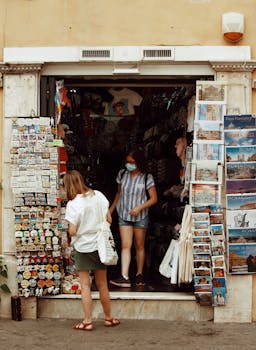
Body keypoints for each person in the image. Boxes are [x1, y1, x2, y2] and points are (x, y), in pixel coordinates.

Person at [63, 170, 120, 331]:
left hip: (82, 247)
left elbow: (72, 231)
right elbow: (108, 219)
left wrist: (72, 230)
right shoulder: (99, 196)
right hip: (99, 245)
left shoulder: (73, 204)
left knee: (85, 284)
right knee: (102, 284)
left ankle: (87, 321)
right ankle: (108, 318)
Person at [109, 148, 157, 287]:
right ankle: (124, 276)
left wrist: (139, 207)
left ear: (139, 163)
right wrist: (110, 211)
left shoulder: (147, 177)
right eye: (127, 162)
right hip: (124, 214)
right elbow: (118, 194)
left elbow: (154, 198)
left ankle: (139, 274)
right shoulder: (122, 174)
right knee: (125, 245)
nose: (129, 164)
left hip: (141, 216)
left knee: (139, 246)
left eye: (132, 162)